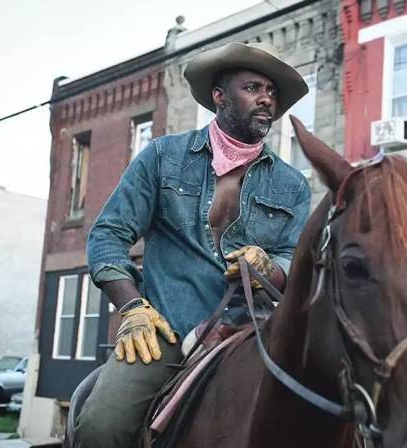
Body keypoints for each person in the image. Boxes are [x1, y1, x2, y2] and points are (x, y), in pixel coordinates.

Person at [74, 42, 312, 447]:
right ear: (219, 97)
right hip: (164, 330)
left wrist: (267, 267)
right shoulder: (163, 157)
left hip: (251, 334)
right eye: (253, 87)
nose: (266, 99)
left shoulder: (292, 185)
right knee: (101, 427)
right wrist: (131, 307)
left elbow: (292, 259)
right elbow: (108, 236)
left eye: (272, 93)